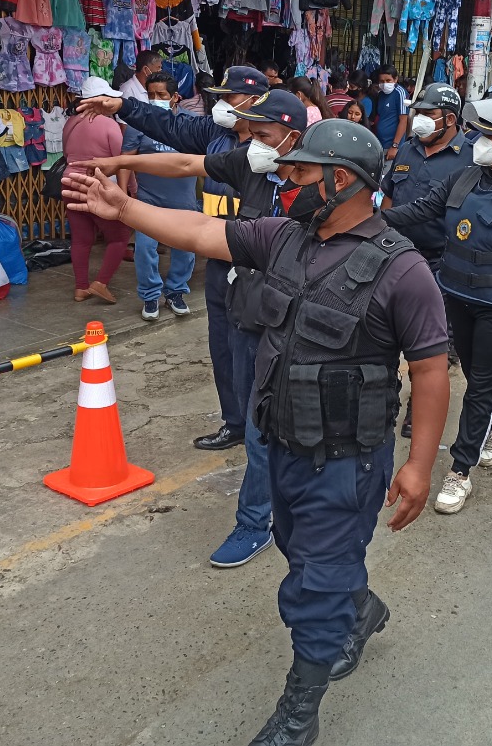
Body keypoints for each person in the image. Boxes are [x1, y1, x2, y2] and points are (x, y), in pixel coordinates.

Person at [62, 118, 450, 746]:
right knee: (303, 552)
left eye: (300, 171)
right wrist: (125, 209)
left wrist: (419, 466)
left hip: (346, 460)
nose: (286, 180)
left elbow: (431, 371)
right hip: (282, 443)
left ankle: (299, 712)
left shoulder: (402, 270)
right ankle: (360, 606)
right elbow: (201, 231)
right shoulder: (284, 237)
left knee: (312, 586)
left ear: (342, 180)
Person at [77, 87, 308, 570]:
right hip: (248, 315)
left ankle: (255, 521)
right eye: (250, 133)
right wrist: (122, 165)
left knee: (265, 430)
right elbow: (184, 163)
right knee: (255, 420)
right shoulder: (251, 165)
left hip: (293, 328)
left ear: (294, 136)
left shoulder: (319, 187)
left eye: (263, 135)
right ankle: (275, 496)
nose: (253, 143)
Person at [384, 97, 492, 514]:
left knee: (481, 387)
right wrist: (371, 218)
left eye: (489, 136)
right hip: (457, 296)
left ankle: (460, 470)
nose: (477, 141)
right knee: (482, 379)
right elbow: (421, 210)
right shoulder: (465, 178)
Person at [381, 82, 473, 437]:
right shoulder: (408, 148)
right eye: (416, 112)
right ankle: (385, 399)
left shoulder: (469, 156)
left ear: (449, 119)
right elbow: (389, 197)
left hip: (441, 262)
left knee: (429, 343)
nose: (418, 119)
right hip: (397, 256)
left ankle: (417, 410)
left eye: (427, 114)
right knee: (386, 332)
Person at [122, 70, 198, 320]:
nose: (155, 99)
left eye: (161, 95)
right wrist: (122, 195)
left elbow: (207, 159)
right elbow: (125, 161)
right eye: (151, 95)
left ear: (175, 97)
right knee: (144, 249)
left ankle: (176, 291)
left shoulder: (190, 122)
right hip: (148, 200)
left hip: (184, 202)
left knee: (185, 249)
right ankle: (150, 295)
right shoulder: (138, 122)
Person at [63, 77, 131, 304]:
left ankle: (80, 287)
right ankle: (101, 283)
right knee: (120, 237)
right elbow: (121, 162)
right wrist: (129, 190)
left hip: (70, 181)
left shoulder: (70, 122)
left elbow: (66, 154)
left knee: (81, 239)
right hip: (98, 184)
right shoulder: (110, 125)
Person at [370, 66, 408, 157]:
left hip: (392, 147)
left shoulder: (400, 93)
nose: (385, 84)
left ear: (395, 79)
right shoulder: (381, 94)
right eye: (382, 81)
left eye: (388, 80)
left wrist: (395, 146)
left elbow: (403, 121)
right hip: (380, 144)